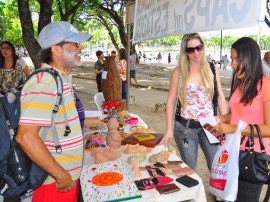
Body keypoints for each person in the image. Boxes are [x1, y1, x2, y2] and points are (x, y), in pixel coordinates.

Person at [16, 21, 92, 202]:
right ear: (56, 50)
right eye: (74, 44)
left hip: (64, 182)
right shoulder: (44, 82)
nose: (80, 47)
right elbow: (25, 136)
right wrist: (61, 175)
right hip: (54, 185)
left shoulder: (59, 79)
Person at [212, 37, 270, 202]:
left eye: (237, 59)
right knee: (228, 197)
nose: (232, 64)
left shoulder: (266, 85)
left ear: (250, 57)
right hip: (232, 149)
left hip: (253, 154)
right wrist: (220, 119)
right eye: (232, 59)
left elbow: (268, 129)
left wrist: (234, 128)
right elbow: (237, 114)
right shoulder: (240, 83)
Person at [159, 33, 227, 172]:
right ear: (185, 52)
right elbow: (171, 101)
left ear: (203, 47)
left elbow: (219, 97)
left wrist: (226, 123)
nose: (196, 52)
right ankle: (192, 193)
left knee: (216, 165)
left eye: (199, 47)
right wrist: (168, 129)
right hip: (185, 128)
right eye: (191, 49)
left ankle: (216, 193)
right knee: (190, 167)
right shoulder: (179, 72)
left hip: (210, 125)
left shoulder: (212, 68)